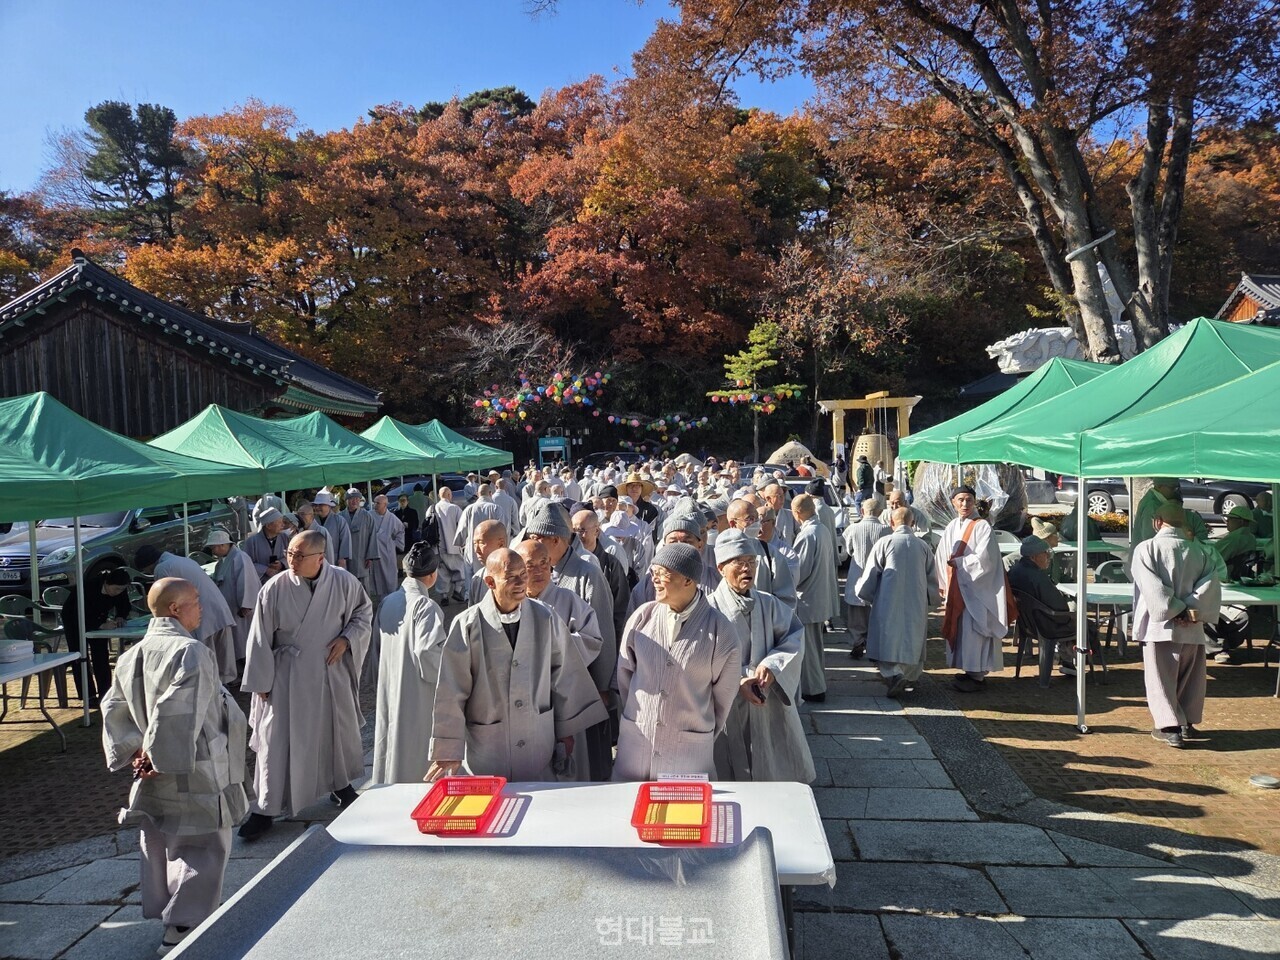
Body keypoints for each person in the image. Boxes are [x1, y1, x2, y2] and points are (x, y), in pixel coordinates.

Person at [100, 578, 248, 955]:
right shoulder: (190, 651)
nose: (201, 607)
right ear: (174, 609)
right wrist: (156, 755)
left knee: (165, 841)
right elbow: (177, 710)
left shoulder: (133, 653)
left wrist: (135, 750)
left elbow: (113, 708)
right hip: (189, 764)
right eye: (195, 601)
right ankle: (184, 925)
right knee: (203, 845)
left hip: (157, 763)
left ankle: (177, 917)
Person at [426, 548, 608, 782]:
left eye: (523, 573)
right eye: (512, 577)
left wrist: (566, 731)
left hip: (537, 739)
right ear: (490, 581)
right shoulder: (467, 625)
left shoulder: (545, 617)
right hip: (488, 745)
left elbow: (564, 674)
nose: (522, 582)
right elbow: (452, 690)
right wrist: (448, 749)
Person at [238, 530, 373, 840]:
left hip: (328, 671)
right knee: (276, 739)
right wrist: (262, 680)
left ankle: (340, 786)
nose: (292, 561)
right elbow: (259, 636)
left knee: (332, 732)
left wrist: (347, 638)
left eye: (299, 556)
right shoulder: (274, 588)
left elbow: (363, 612)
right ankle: (265, 808)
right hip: (287, 674)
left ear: (320, 558)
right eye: (289, 554)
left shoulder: (342, 581)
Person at [613, 543, 740, 781]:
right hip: (637, 742)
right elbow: (625, 677)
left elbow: (723, 699)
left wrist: (697, 725)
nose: (655, 581)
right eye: (654, 573)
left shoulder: (721, 631)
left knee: (685, 813)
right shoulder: (642, 617)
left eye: (663, 574)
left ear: (688, 581)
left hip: (688, 750)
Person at [707, 530, 813, 782]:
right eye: (739, 562)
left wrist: (772, 665)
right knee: (729, 773)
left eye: (752, 562)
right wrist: (739, 680)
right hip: (727, 705)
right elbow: (700, 661)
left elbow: (794, 637)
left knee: (772, 763)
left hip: (766, 698)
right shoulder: (708, 609)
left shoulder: (769, 603)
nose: (747, 568)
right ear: (721, 567)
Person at [523, 500, 617, 779]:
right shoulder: (529, 575)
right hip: (537, 692)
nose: (533, 543)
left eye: (537, 539)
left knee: (581, 758)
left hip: (581, 684)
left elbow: (603, 634)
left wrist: (603, 686)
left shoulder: (587, 572)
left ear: (555, 539)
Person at [1132, 502, 1222, 748]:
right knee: (1190, 677)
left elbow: (1152, 588)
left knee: (1161, 678)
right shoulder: (1200, 551)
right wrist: (1189, 607)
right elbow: (1210, 585)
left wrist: (1174, 608)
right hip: (1192, 624)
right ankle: (1186, 723)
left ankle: (1169, 727)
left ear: (1157, 521)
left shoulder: (1146, 549)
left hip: (1160, 625)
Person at [372, 542, 446, 784]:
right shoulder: (426, 606)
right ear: (433, 575)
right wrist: (451, 678)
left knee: (391, 740)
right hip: (417, 689)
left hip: (391, 682)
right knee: (416, 749)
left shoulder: (388, 601)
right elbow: (428, 652)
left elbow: (375, 647)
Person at [855, 507, 938, 697]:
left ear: (891, 523)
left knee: (887, 638)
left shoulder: (885, 543)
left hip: (887, 599)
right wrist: (931, 599)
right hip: (916, 600)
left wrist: (864, 593)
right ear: (913, 523)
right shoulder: (923, 546)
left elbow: (870, 574)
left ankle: (894, 674)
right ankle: (909, 677)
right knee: (912, 637)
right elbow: (932, 578)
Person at [935, 485, 1009, 693]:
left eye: (968, 499)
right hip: (958, 586)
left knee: (975, 630)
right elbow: (942, 555)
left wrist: (960, 563)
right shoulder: (951, 526)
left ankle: (977, 674)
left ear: (974, 502)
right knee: (962, 630)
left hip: (977, 589)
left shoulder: (982, 526)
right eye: (960, 500)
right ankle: (968, 669)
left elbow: (986, 560)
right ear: (953, 502)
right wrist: (943, 581)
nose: (964, 504)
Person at [135, 545, 238, 683]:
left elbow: (164, 600)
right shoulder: (182, 560)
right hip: (217, 608)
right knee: (221, 659)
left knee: (204, 662)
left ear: (149, 564)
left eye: (146, 570)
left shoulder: (162, 568)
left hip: (200, 614)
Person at [1006, 536, 1096, 677]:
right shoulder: (1037, 576)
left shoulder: (1016, 570)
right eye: (1045, 553)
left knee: (1072, 621)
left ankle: (1067, 660)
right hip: (1046, 625)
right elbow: (1060, 607)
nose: (1048, 556)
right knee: (1085, 624)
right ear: (1034, 557)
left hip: (1027, 624)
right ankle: (1086, 665)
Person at [792, 493, 840, 702]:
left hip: (808, 598)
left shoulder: (808, 534)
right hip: (819, 596)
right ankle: (817, 684)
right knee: (815, 646)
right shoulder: (821, 529)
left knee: (809, 648)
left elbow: (799, 571)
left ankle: (814, 689)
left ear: (797, 513)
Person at [62, 567, 132, 706]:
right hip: (74, 619)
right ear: (106, 583)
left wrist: (120, 616)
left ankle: (105, 692)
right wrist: (99, 625)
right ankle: (88, 696)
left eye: (122, 590)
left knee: (101, 656)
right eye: (116, 589)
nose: (119, 592)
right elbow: (77, 613)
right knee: (80, 657)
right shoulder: (88, 588)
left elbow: (124, 605)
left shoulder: (120, 589)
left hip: (99, 619)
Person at [571, 508, 631, 644]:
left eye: (581, 530)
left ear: (596, 531)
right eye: (573, 531)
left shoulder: (610, 564)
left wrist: (614, 642)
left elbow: (621, 608)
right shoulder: (567, 561)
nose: (576, 536)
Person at [726, 497, 796, 608]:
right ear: (733, 524)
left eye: (757, 519)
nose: (756, 524)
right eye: (749, 519)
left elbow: (786, 597)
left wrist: (772, 618)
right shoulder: (721, 554)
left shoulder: (769, 552)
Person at [843, 498, 890, 659]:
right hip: (878, 579)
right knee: (875, 616)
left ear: (862, 511)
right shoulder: (886, 530)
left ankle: (857, 643)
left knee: (856, 617)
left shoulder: (852, 529)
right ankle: (874, 646)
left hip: (856, 577)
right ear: (881, 512)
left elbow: (849, 551)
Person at [205, 529, 261, 662]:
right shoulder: (222, 562)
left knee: (244, 638)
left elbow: (247, 581)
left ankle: (246, 666)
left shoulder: (240, 557)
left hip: (240, 608)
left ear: (223, 545)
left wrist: (246, 605)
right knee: (236, 640)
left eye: (214, 547)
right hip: (229, 607)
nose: (212, 551)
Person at [432, 487, 466, 604]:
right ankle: (457, 591)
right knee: (461, 569)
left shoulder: (432, 509)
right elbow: (463, 526)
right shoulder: (454, 508)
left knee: (442, 572)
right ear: (448, 494)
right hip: (453, 545)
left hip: (436, 547)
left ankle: (444, 596)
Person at [369, 494, 406, 601]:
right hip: (374, 551)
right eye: (374, 502)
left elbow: (400, 531)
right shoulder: (369, 515)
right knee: (377, 576)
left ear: (385, 504)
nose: (375, 505)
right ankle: (381, 598)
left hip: (387, 551)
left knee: (389, 576)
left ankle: (391, 598)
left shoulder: (392, 518)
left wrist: (395, 543)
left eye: (378, 503)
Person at [466, 519, 510, 606]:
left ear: (501, 544)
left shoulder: (519, 577)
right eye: (474, 544)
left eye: (481, 543)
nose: (476, 550)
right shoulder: (477, 578)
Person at [343, 488, 377, 594]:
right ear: (346, 500)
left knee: (364, 586)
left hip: (362, 556)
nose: (354, 501)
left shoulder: (367, 516)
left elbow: (373, 537)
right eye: (351, 498)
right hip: (345, 558)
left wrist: (370, 556)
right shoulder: (340, 517)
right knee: (347, 586)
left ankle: (366, 609)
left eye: (357, 499)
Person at [242, 508, 291, 580]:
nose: (283, 525)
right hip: (261, 582)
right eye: (279, 522)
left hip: (282, 579)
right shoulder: (251, 541)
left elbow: (291, 556)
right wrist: (265, 570)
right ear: (268, 526)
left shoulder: (284, 537)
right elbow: (246, 563)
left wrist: (281, 564)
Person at [1132, 478, 1181, 545]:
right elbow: (1149, 538)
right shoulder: (1152, 505)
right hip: (1149, 553)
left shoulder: (1154, 500)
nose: (1175, 492)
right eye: (1172, 488)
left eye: (1177, 488)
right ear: (1159, 486)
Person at [312, 491, 352, 570]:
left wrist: (342, 558)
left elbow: (345, 539)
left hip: (335, 559)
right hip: (315, 560)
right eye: (316, 505)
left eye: (321, 505)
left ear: (329, 506)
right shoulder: (312, 520)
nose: (317, 507)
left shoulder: (339, 520)